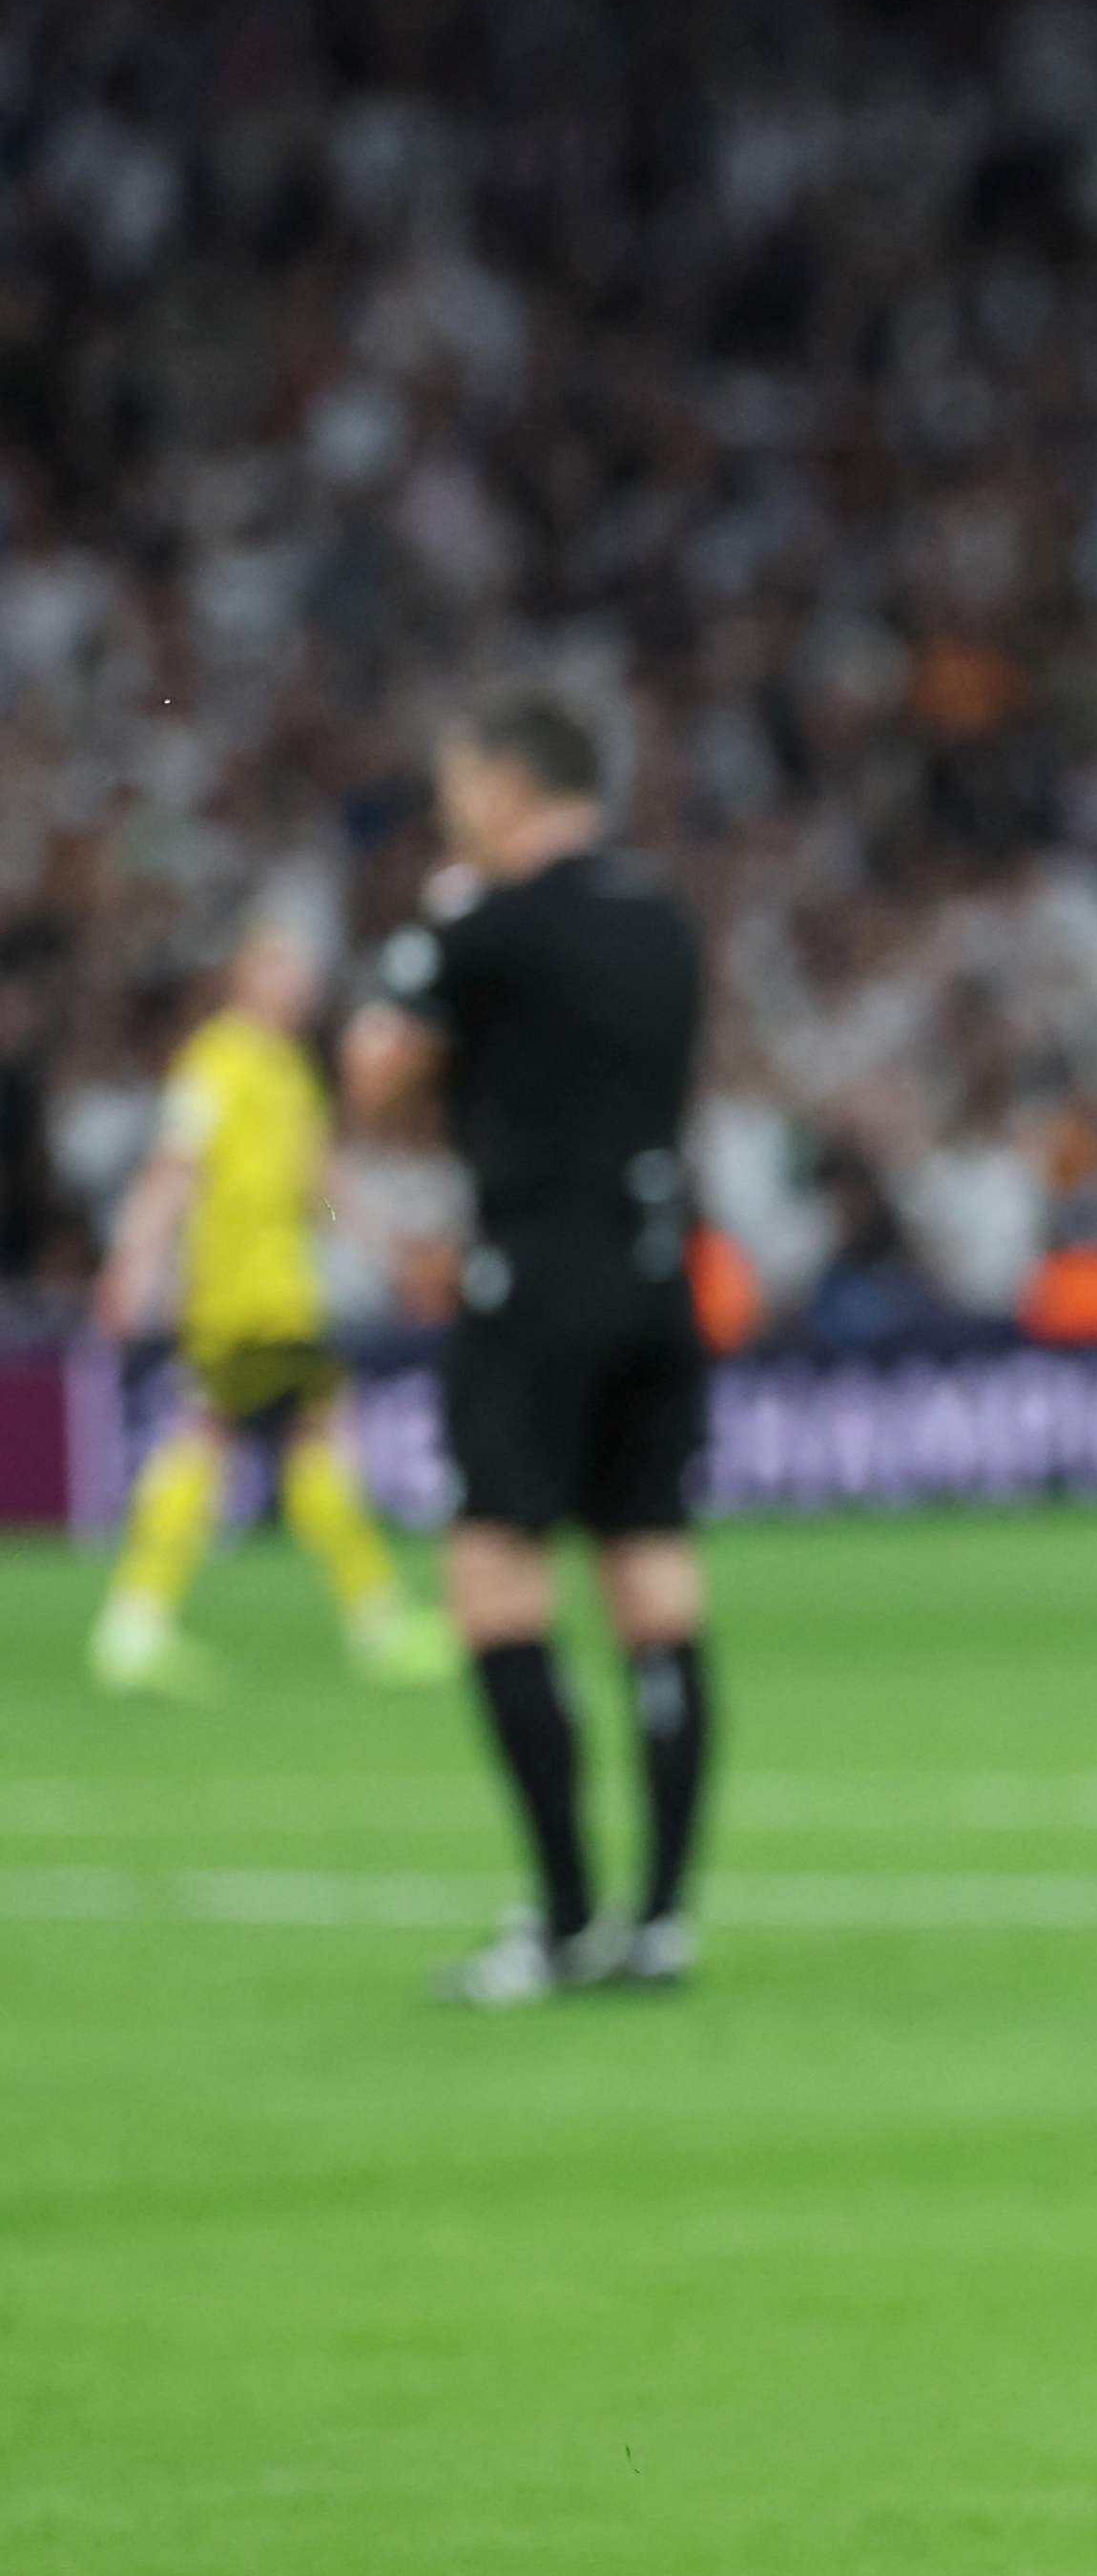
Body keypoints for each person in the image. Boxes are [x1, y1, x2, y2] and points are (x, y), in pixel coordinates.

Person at [343, 693, 719, 2003]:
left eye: (457, 784)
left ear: (506, 784)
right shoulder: (664, 919)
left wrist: (434, 933)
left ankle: (563, 1921)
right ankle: (660, 1921)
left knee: (497, 1580)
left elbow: (376, 1072)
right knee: (654, 1579)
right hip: (660, 1269)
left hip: (534, 1279)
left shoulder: (488, 919)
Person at [85, 882, 461, 1698]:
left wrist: (389, 1254)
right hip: (241, 1296)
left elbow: (320, 1183)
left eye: (304, 969)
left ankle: (142, 1625)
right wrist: (131, 1268)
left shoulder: (287, 1068)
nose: (299, 983)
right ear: (246, 973)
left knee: (276, 1442)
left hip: (284, 1293)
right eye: (283, 967)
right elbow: (172, 1172)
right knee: (251, 1440)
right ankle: (145, 1626)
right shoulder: (219, 1061)